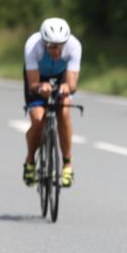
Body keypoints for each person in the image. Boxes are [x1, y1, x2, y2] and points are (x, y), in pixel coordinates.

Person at [22, 17, 82, 188]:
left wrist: (66, 87)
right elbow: (33, 84)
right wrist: (41, 87)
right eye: (51, 46)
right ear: (44, 42)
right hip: (38, 78)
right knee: (38, 119)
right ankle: (31, 160)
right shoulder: (33, 46)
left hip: (61, 75)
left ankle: (67, 164)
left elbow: (72, 84)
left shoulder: (74, 46)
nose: (56, 50)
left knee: (63, 112)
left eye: (60, 46)